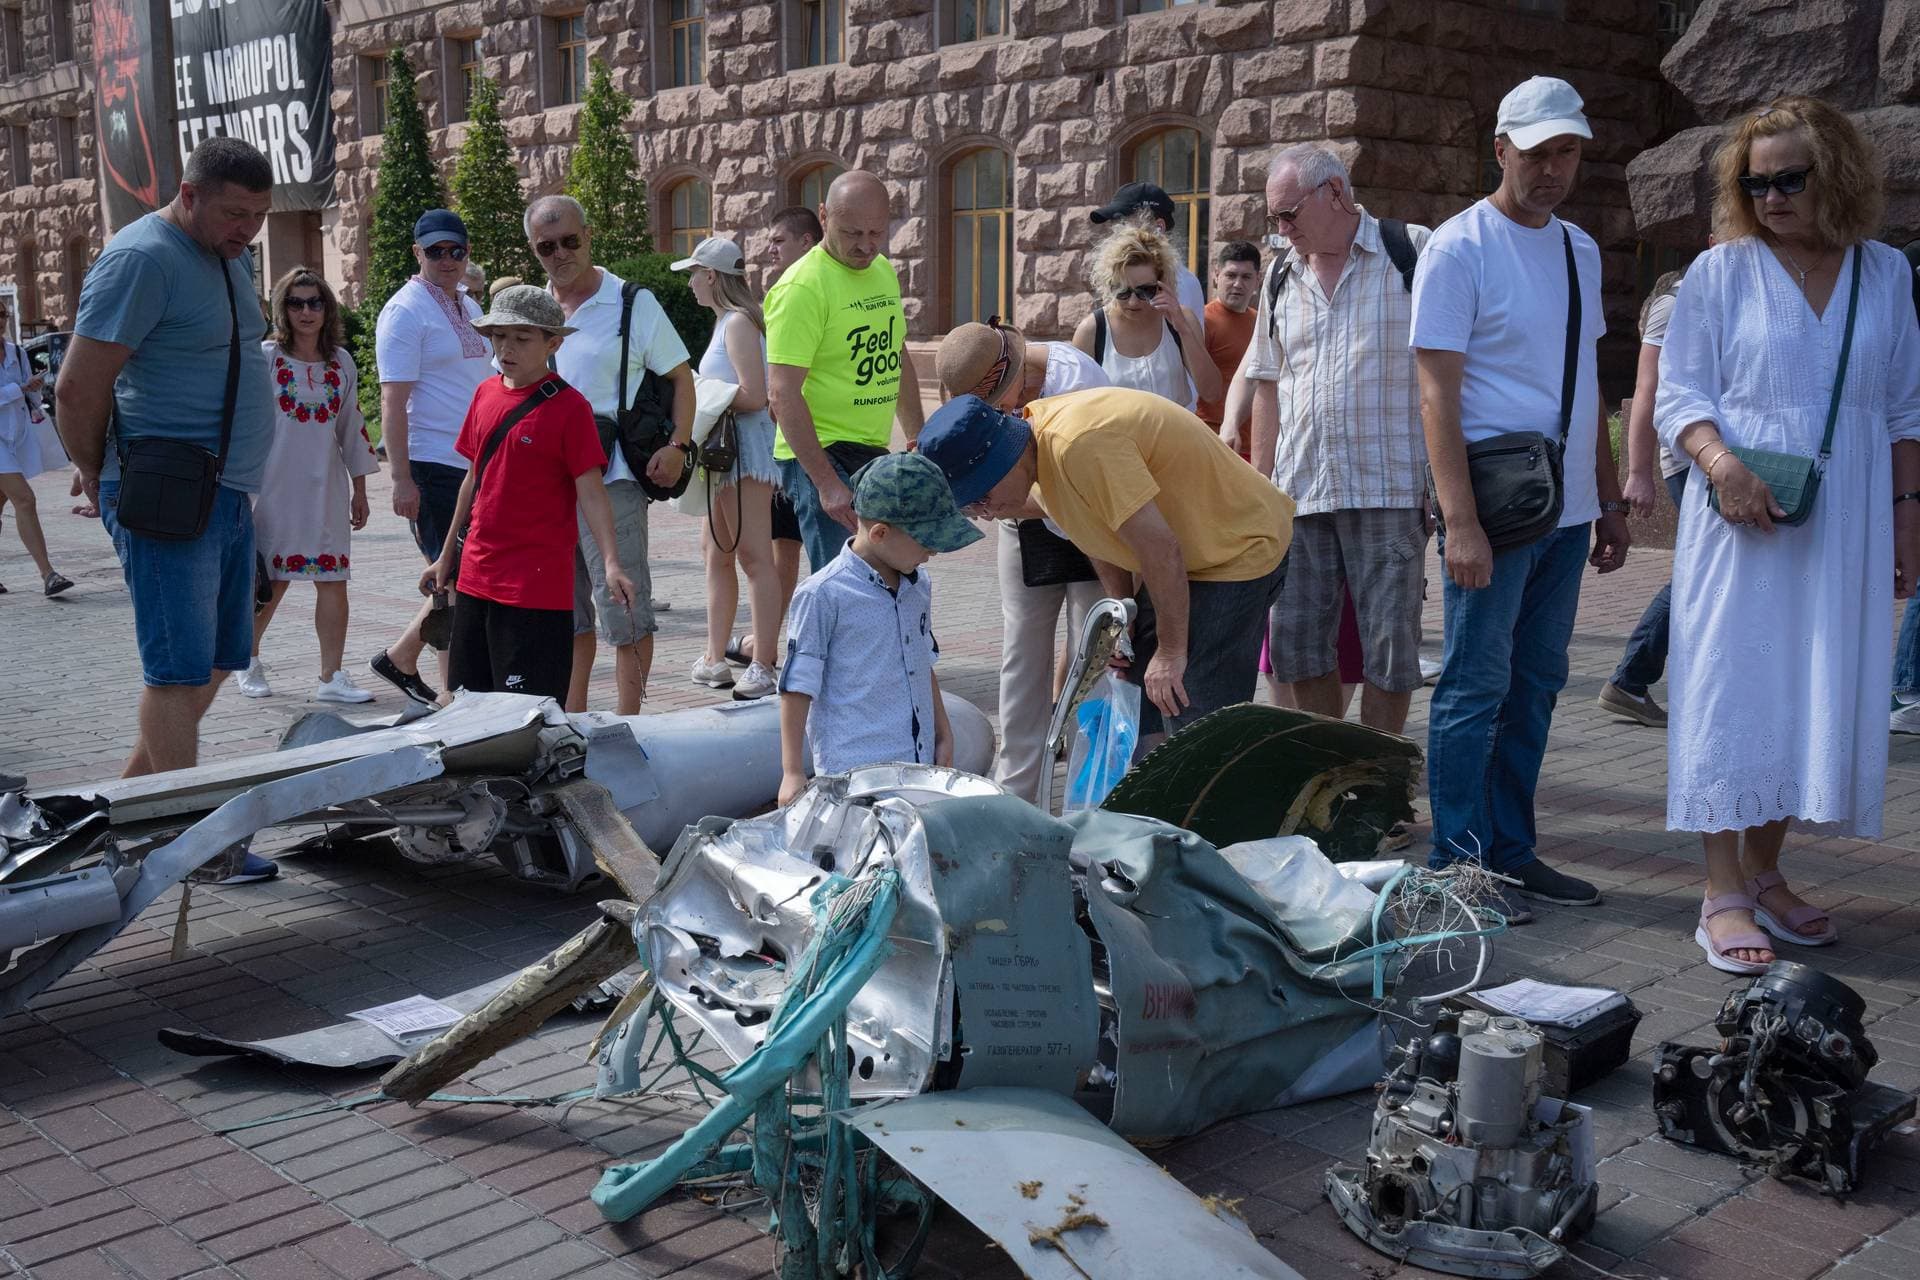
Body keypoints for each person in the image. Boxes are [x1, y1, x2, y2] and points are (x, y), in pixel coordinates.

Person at [1655, 96, 1920, 972]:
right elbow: (1681, 397)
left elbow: (1905, 409)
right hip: (1742, 519)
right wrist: (1722, 467)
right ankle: (1720, 889)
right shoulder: (1721, 273)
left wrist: (1907, 515)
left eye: (1789, 179)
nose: (1770, 196)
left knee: (1808, 690)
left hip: (1844, 520)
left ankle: (1767, 873)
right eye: (1754, 181)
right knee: (1737, 689)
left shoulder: (1885, 273)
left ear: (1835, 174)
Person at [1411, 77, 1631, 923]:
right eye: (1537, 152)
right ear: (1499, 148)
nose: (1552, 168)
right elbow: (1437, 394)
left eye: (1567, 151)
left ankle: (1510, 851)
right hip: (1495, 514)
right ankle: (1454, 865)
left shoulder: (1579, 247)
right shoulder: (1459, 249)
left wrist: (1609, 500)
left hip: (1568, 513)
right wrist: (1458, 521)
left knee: (1536, 682)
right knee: (1474, 685)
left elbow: (1588, 389)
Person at [55, 138, 281, 882]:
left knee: (216, 660)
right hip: (165, 493)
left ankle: (125, 810)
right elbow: (77, 389)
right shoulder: (141, 258)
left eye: (257, 216)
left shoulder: (224, 255)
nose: (246, 228)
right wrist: (100, 477)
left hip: (222, 490)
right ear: (188, 194)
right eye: (233, 213)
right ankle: (185, 842)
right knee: (175, 672)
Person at [922, 386, 1293, 738]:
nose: (984, 513)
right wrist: (1124, 616)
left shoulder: (1078, 446)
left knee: (1189, 707)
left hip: (1237, 548)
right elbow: (1094, 527)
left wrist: (1171, 650)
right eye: (971, 505)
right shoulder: (1038, 457)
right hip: (1189, 557)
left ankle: (1205, 799)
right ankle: (1154, 800)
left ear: (1004, 459)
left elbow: (1161, 550)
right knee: (1138, 693)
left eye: (982, 496)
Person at [1246, 143, 1432, 737]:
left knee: (1389, 648)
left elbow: (1450, 374)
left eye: (1288, 214)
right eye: (1274, 217)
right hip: (1300, 492)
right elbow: (1267, 384)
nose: (1280, 230)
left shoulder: (1413, 252)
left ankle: (1375, 791)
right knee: (1296, 644)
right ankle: (1332, 777)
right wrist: (1260, 489)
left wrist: (1446, 486)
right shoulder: (1279, 275)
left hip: (1389, 485)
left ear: (1334, 194)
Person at [418, 286, 638, 702]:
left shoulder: (571, 408)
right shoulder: (484, 394)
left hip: (535, 590)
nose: (507, 348)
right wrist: (445, 559)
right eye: (499, 336)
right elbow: (472, 479)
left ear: (552, 343)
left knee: (527, 715)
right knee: (467, 705)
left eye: (522, 338)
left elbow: (591, 493)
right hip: (477, 578)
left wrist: (611, 563)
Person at [527, 195, 695, 716]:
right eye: (546, 246)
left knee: (623, 610)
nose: (560, 253)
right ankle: (570, 720)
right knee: (566, 613)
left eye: (570, 241)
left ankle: (630, 725)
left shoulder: (631, 302)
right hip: (546, 485)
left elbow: (681, 379)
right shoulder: (535, 307)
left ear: (589, 235)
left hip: (612, 476)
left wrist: (678, 446)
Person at [936, 320, 1110, 804]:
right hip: (1023, 519)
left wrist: (996, 496)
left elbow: (1081, 491)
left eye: (998, 404)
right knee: (1021, 656)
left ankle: (1090, 798)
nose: (1000, 413)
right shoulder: (982, 382)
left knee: (1089, 658)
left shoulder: (1076, 380)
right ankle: (1016, 795)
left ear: (1014, 368)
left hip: (1088, 522)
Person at [776, 451, 982, 807]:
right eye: (925, 540)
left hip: (915, 763)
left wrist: (943, 730)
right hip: (855, 776)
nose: (932, 551)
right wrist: (792, 770)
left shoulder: (918, 585)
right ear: (880, 532)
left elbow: (922, 660)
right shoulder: (823, 594)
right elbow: (798, 685)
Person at [766, 171, 925, 574]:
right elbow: (783, 393)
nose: (866, 245)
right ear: (823, 216)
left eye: (876, 232)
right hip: (820, 451)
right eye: (853, 232)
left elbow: (897, 353)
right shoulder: (802, 287)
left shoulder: (883, 270)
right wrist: (826, 483)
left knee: (891, 571)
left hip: (870, 449)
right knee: (847, 581)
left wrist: (915, 435)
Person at [236, 268, 380, 703]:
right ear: (283, 308)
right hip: (273, 486)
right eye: (296, 302)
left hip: (326, 487)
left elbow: (352, 428)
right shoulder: (266, 358)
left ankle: (330, 677)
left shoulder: (342, 363)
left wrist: (361, 490)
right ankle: (248, 659)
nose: (305, 311)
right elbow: (241, 421)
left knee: (333, 579)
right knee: (272, 579)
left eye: (314, 302)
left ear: (327, 308)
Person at [368, 209, 493, 705]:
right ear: (417, 253)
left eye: (456, 250)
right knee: (454, 578)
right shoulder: (405, 310)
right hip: (432, 462)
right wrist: (400, 478)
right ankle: (444, 687)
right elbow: (392, 401)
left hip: (473, 463)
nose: (447, 260)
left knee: (459, 577)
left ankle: (415, 668)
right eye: (436, 251)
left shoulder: (468, 303)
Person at [677, 235, 782, 702]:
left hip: (743, 453)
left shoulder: (738, 323)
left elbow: (755, 395)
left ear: (713, 276)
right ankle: (715, 655)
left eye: (694, 274)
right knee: (717, 552)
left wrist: (702, 390)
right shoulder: (728, 322)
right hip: (726, 452)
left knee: (753, 557)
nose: (691, 283)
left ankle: (762, 664)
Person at [1596, 266, 1693, 727]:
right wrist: (1637, 473)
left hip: (1724, 459)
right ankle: (1630, 680)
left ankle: (1631, 681)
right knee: (1701, 573)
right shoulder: (1675, 303)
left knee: (1709, 573)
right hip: (1697, 460)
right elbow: (1646, 389)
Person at [726, 205, 821, 669]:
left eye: (779, 240)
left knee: (820, 555)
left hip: (817, 442)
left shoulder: (816, 286)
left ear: (806, 241)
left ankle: (807, 646)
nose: (770, 249)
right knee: (785, 548)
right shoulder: (783, 290)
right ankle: (770, 641)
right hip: (788, 444)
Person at [1072, 221, 1221, 412]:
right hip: (1118, 439)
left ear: (1162, 283)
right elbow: (1075, 407)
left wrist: (1183, 329)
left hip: (1176, 437)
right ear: (1109, 286)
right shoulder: (1092, 330)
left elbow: (1212, 393)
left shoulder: (1182, 320)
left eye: (1145, 291)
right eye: (1122, 291)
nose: (1133, 302)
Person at [1, 296, 74, 597]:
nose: (0, 319)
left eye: (2, 313)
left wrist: (34, 388)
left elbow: (26, 394)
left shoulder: (16, 352)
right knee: (25, 500)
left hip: (14, 437)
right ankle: (48, 574)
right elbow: (14, 390)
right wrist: (20, 388)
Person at [1088, 181, 1207, 327]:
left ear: (1159, 227)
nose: (1116, 233)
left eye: (1124, 224)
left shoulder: (1178, 284)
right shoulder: (1120, 274)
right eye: (1114, 225)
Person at [1196, 240, 1262, 459]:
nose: (1237, 284)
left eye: (1246, 277)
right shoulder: (1203, 321)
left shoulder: (1262, 323)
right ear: (1216, 275)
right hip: (1214, 442)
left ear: (1257, 280)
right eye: (1231, 275)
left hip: (1257, 443)